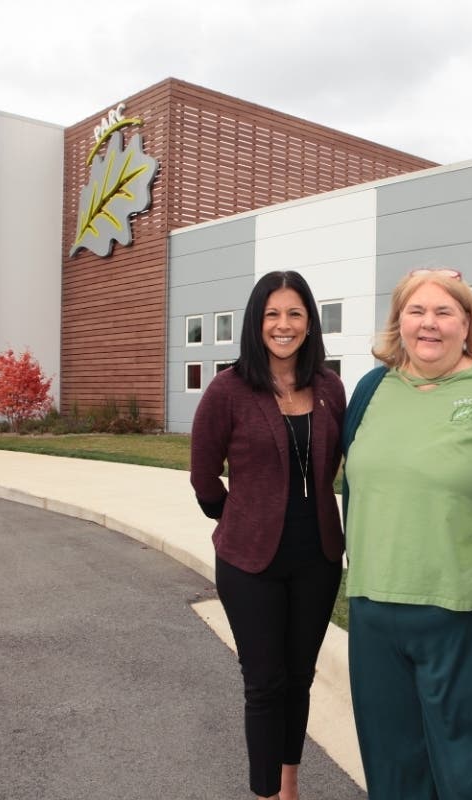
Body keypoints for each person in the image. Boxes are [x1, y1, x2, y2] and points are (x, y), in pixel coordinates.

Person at [342, 268, 472, 800]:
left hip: (469, 612)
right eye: (416, 311)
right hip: (373, 612)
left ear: (468, 322)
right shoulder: (370, 389)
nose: (429, 324)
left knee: (471, 773)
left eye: (444, 311)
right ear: (398, 321)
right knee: (393, 771)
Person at [190, 270, 346, 800]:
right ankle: (263, 795)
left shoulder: (329, 386)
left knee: (298, 678)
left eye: (295, 314)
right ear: (257, 323)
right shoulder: (229, 389)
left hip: (317, 557)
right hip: (249, 562)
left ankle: (289, 787)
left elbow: (335, 463)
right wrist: (237, 518)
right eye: (272, 314)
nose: (284, 325)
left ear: (309, 323)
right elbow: (203, 474)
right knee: (264, 684)